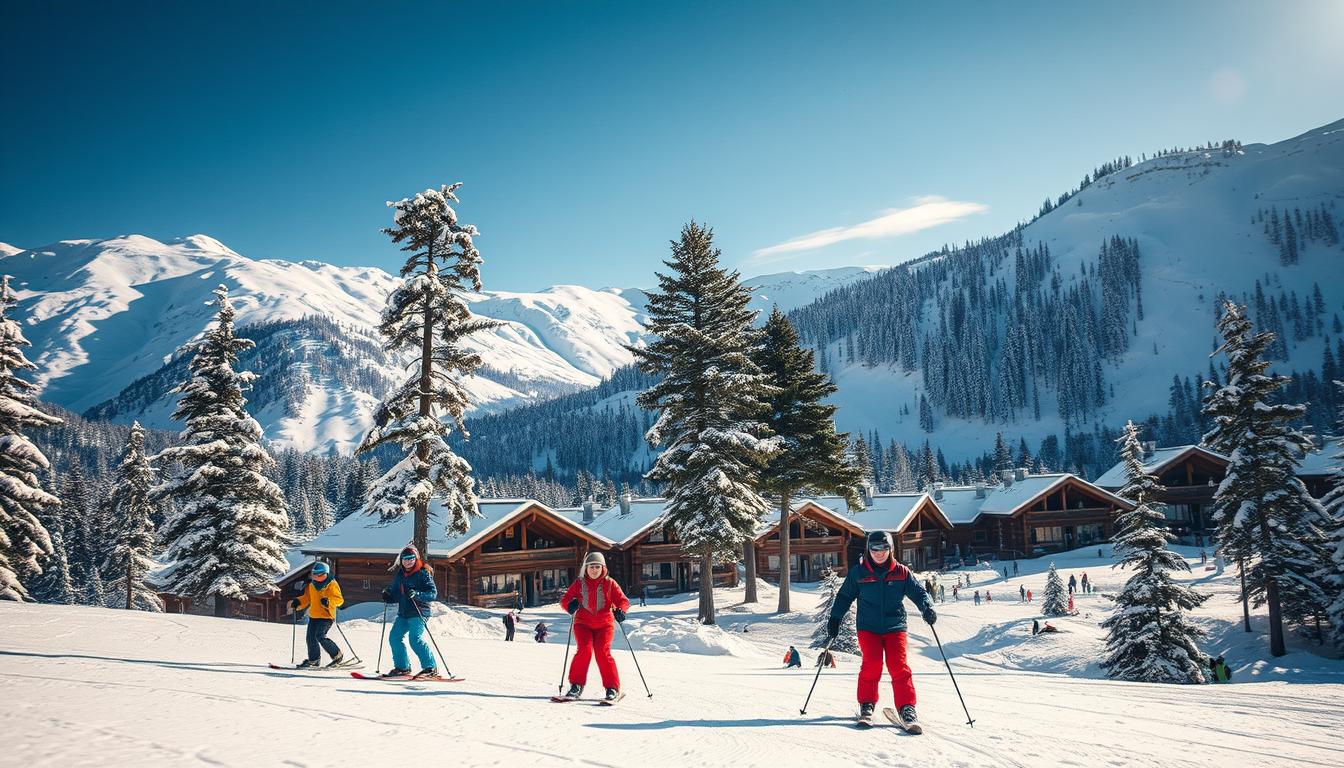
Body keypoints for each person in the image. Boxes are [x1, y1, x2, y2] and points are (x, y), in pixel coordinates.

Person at [827, 531, 935, 730]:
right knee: (872, 663)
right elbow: (844, 597)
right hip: (868, 627)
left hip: (895, 626)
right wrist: (835, 618)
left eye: (884, 548)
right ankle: (867, 705)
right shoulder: (859, 573)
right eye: (875, 548)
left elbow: (919, 593)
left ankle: (907, 708)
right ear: (868, 550)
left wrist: (927, 607)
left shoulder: (901, 572)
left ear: (890, 549)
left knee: (898, 665)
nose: (879, 553)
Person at [560, 552, 631, 703]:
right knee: (584, 649)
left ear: (603, 568)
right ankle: (576, 686)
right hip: (582, 624)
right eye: (591, 567)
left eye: (597, 567)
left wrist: (621, 611)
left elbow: (623, 600)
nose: (594, 570)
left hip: (604, 625)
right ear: (586, 568)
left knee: (602, 652)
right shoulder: (579, 583)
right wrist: (569, 606)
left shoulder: (610, 583)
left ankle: (612, 688)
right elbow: (565, 600)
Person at [380, 545, 439, 678]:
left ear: (416, 558)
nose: (408, 561)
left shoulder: (423, 573)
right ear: (401, 561)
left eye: (411, 558)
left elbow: (432, 593)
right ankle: (402, 667)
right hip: (404, 612)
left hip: (419, 612)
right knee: (394, 637)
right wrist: (388, 596)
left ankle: (430, 668)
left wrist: (416, 594)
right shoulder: (401, 574)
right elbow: (396, 593)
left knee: (415, 639)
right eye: (405, 559)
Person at [289, 561, 345, 668]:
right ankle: (314, 660)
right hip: (314, 616)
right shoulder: (311, 585)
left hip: (326, 616)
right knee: (310, 638)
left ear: (326, 574)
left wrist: (329, 601)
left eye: (319, 574)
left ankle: (337, 655)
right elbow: (307, 598)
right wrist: (298, 602)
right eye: (314, 574)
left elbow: (339, 600)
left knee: (320, 636)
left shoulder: (332, 584)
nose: (316, 576)